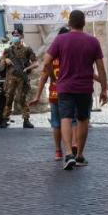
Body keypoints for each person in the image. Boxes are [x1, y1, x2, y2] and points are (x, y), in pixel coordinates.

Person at [33, 10, 108, 170]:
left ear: (69, 23)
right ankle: (79, 154)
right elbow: (101, 67)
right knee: (83, 120)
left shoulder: (60, 39)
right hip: (85, 87)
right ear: (84, 22)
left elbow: (46, 61)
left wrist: (54, 77)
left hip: (65, 86)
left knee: (65, 118)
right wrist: (104, 88)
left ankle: (68, 154)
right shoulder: (93, 41)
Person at [35, 26, 69, 159]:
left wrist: (37, 95)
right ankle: (70, 150)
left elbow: (43, 77)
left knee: (56, 123)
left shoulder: (51, 56)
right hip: (68, 93)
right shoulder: (70, 56)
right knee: (70, 121)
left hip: (54, 93)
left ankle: (57, 151)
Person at [1, 27, 38, 129]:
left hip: (22, 78)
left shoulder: (27, 49)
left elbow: (36, 63)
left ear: (22, 36)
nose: (14, 37)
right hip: (11, 78)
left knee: (22, 99)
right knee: (9, 98)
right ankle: (5, 119)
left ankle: (26, 120)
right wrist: (5, 60)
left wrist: (27, 68)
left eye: (16, 35)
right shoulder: (8, 50)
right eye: (13, 35)